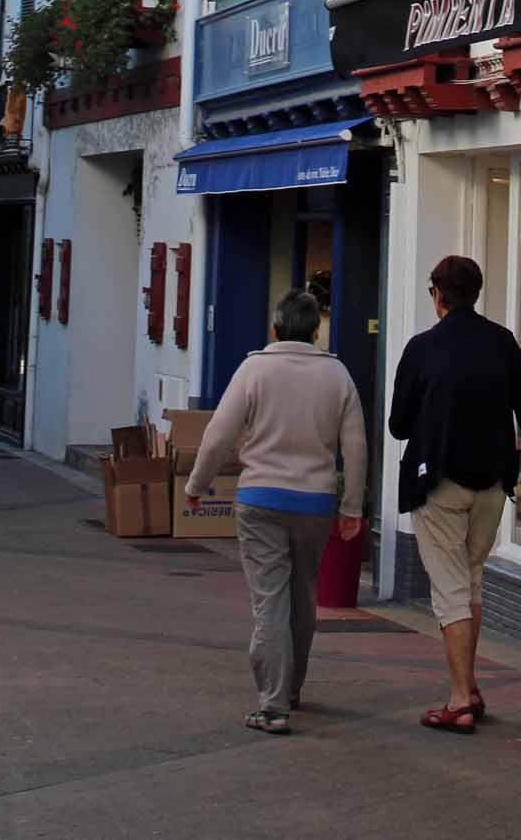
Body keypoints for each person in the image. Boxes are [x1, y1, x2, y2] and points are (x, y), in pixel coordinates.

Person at [185, 287, 367, 737]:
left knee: (270, 600)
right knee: (303, 597)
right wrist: (352, 506)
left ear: (275, 328)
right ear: (315, 330)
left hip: (261, 500)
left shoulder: (254, 369)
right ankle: (292, 688)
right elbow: (357, 446)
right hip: (315, 503)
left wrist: (196, 484)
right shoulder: (338, 375)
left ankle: (272, 704)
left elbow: (218, 435)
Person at [389, 254, 521, 734]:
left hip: (438, 479)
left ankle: (458, 699)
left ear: (437, 295)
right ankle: (471, 686)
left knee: (450, 590)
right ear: (475, 293)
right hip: (493, 483)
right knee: (472, 579)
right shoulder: (502, 343)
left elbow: (398, 423)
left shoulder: (422, 348)